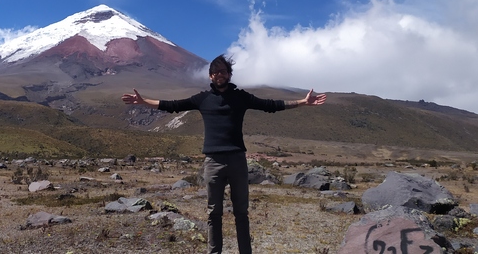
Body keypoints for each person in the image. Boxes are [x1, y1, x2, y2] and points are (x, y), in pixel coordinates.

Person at [122, 55, 326, 254]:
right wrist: (143, 101)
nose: (219, 74)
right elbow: (173, 105)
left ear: (229, 74)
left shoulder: (241, 97)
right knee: (214, 213)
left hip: (237, 159)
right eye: (216, 71)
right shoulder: (202, 99)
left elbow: (270, 105)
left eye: (223, 71)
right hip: (213, 162)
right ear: (210, 76)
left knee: (241, 213)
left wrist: (302, 102)